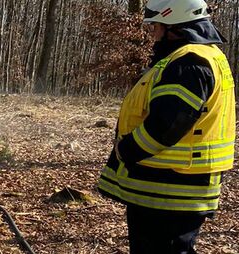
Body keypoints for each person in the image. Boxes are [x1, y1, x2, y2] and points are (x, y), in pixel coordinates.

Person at [96, 0, 235, 253]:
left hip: (172, 187)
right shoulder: (203, 56)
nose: (154, 35)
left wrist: (128, 150)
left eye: (157, 27)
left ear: (176, 28)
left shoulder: (188, 63)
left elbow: (168, 124)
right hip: (173, 184)